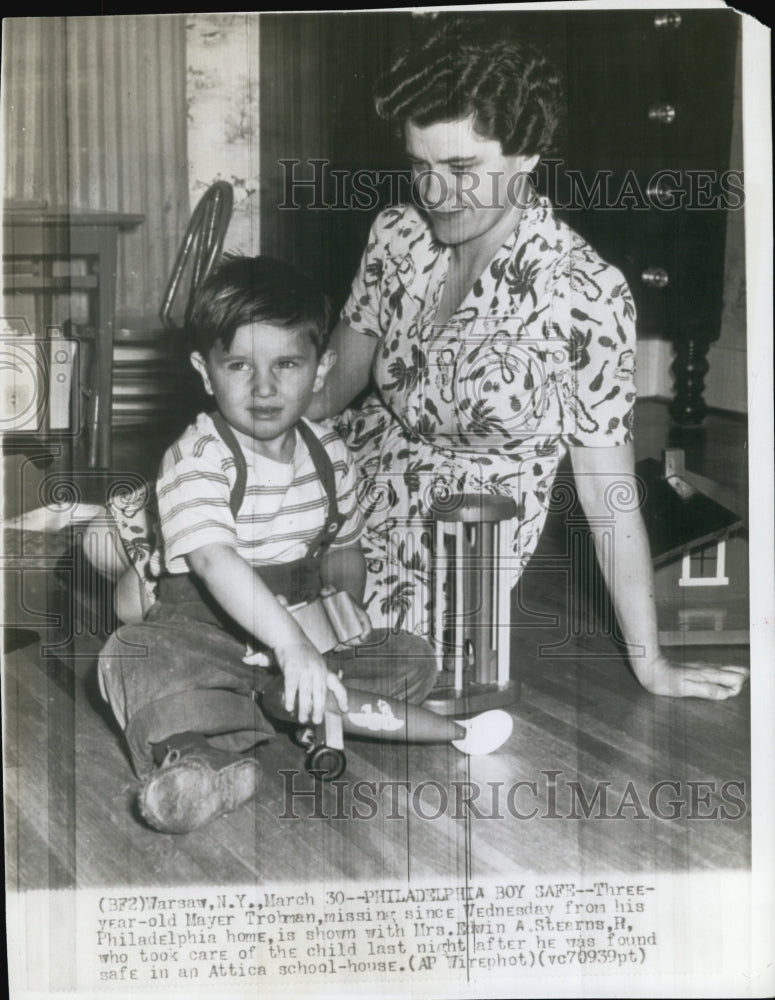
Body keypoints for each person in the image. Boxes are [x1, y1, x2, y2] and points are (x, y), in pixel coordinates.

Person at [307, 16, 749, 701]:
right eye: (420, 166)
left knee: (354, 663)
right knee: (189, 557)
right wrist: (241, 445)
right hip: (346, 483)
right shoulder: (395, 234)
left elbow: (607, 496)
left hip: (460, 547)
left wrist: (651, 661)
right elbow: (328, 390)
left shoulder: (584, 294)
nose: (435, 194)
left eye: (462, 169)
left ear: (528, 155)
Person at [97, 254, 443, 834]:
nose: (263, 387)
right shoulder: (197, 456)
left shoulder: (330, 454)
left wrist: (342, 607)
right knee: (132, 656)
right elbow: (212, 560)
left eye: (286, 363)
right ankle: (198, 762)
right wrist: (289, 645)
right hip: (206, 632)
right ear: (205, 372)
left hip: (299, 635)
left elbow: (343, 547)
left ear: (322, 368)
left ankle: (286, 706)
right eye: (239, 365)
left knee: (412, 656)